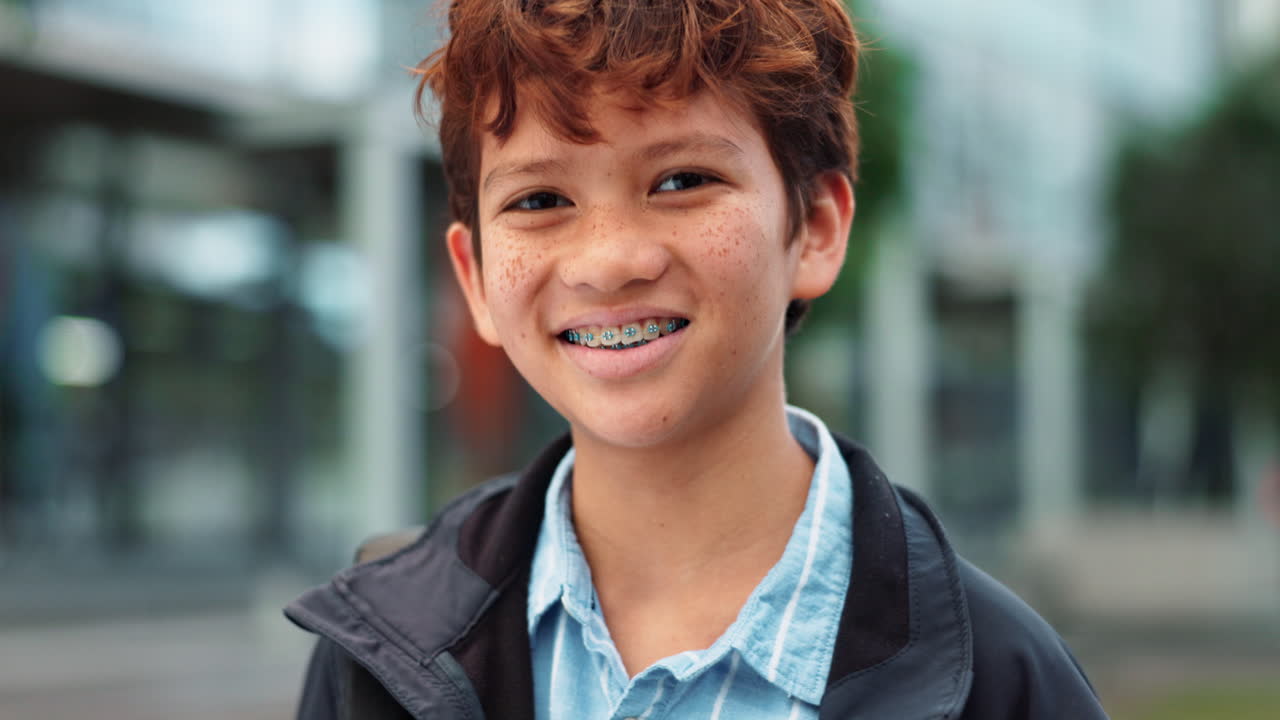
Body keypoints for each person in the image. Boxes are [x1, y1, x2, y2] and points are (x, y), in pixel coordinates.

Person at [286, 1, 1110, 718]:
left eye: (681, 180)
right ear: (472, 277)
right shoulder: (379, 656)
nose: (607, 262)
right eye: (540, 201)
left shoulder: (1002, 683)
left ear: (816, 228)